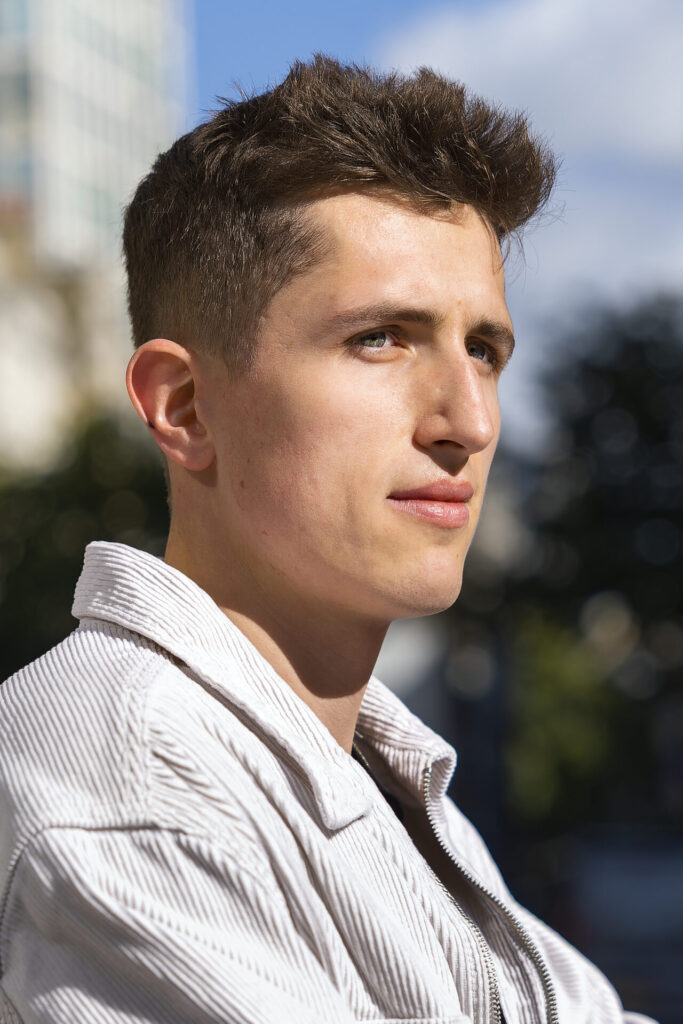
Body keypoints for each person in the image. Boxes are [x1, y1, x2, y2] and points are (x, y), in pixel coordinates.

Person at [0, 56, 656, 1024]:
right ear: (183, 406)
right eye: (381, 338)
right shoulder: (141, 799)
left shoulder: (370, 771)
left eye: (482, 348)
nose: (467, 420)